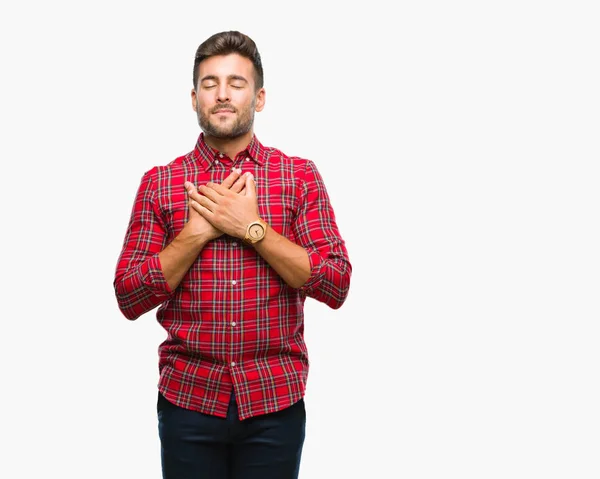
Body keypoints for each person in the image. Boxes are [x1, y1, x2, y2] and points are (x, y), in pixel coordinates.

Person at [113, 30, 351, 479]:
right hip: (188, 401)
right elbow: (128, 298)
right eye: (210, 83)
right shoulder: (161, 182)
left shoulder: (298, 177)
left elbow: (336, 283)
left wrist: (252, 229)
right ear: (194, 98)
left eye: (236, 83)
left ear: (259, 98)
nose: (222, 94)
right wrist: (195, 233)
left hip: (275, 402)